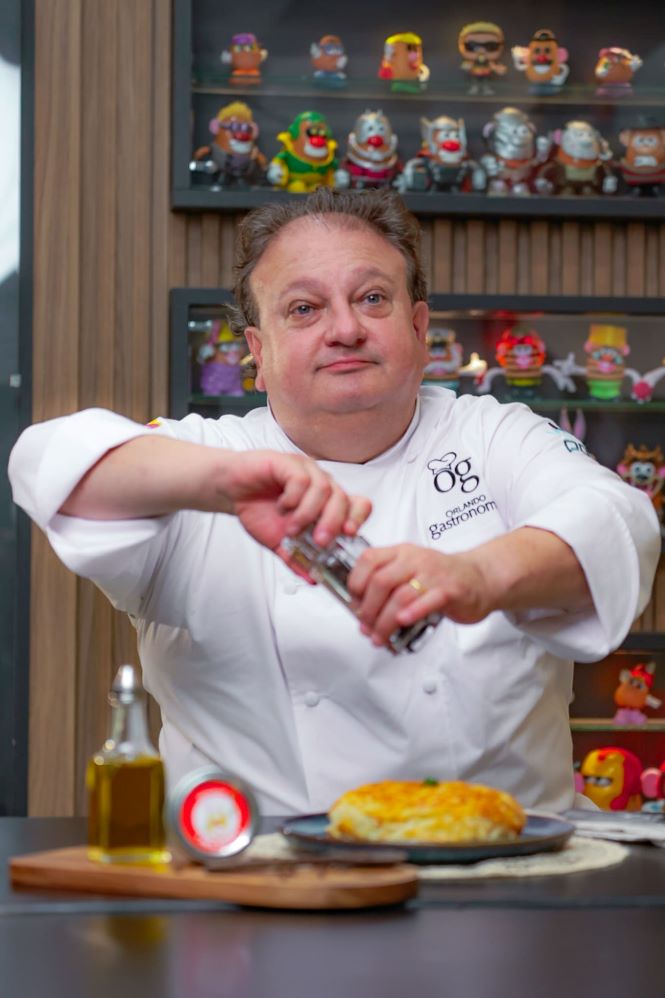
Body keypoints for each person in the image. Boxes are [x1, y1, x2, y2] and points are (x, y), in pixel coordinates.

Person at [9, 188, 660, 815]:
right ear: (257, 353)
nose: (345, 329)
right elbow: (48, 463)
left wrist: (477, 575)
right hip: (263, 869)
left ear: (418, 327)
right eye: (303, 309)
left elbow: (615, 521)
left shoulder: (494, 435)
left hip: (505, 860)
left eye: (372, 298)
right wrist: (223, 483)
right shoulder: (204, 458)